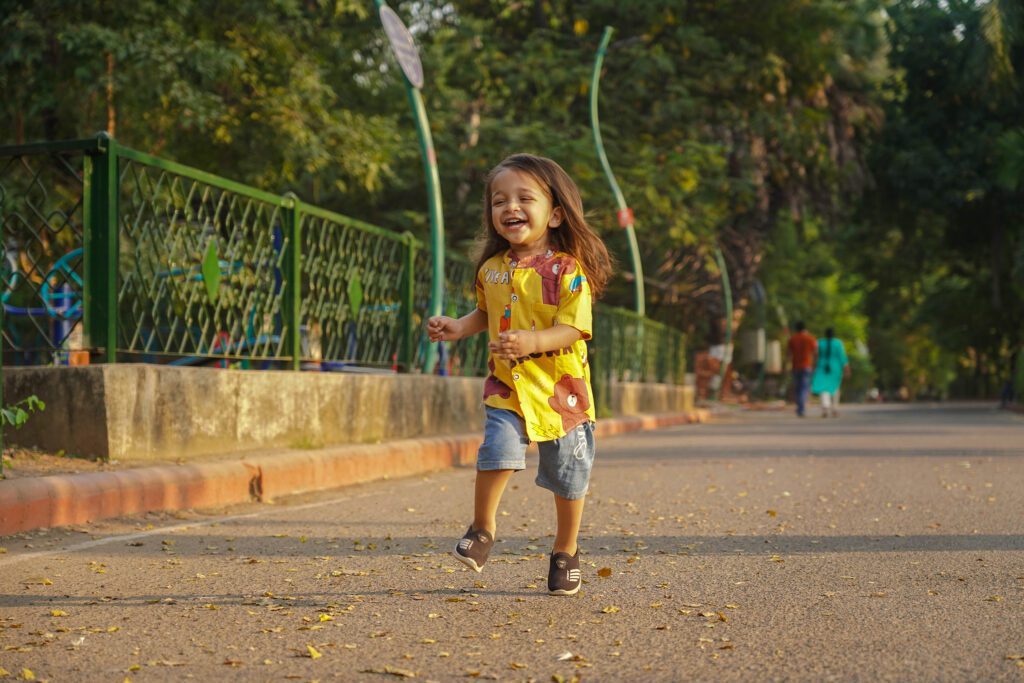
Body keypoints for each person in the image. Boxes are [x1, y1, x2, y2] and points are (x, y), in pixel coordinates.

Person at [426, 153, 613, 596]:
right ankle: (482, 528)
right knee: (497, 448)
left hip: (562, 394)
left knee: (569, 473)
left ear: (556, 214)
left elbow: (575, 327)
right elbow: (484, 312)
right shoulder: (491, 269)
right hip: (508, 386)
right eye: (499, 200)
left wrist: (532, 341)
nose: (510, 207)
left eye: (524, 198)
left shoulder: (568, 271)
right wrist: (457, 327)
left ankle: (566, 550)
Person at [811, 327, 850, 417]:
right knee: (835, 387)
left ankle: (825, 406)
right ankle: (835, 408)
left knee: (823, 387)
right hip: (835, 367)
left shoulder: (820, 342)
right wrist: (846, 368)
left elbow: (815, 356)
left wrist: (813, 367)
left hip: (821, 366)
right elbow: (842, 357)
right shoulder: (838, 343)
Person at [787, 321, 817, 417]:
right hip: (807, 366)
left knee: (798, 388)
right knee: (804, 388)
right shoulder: (810, 338)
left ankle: (800, 407)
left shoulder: (793, 339)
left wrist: (787, 366)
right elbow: (816, 352)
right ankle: (801, 408)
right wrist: (815, 364)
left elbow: (788, 354)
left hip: (795, 366)